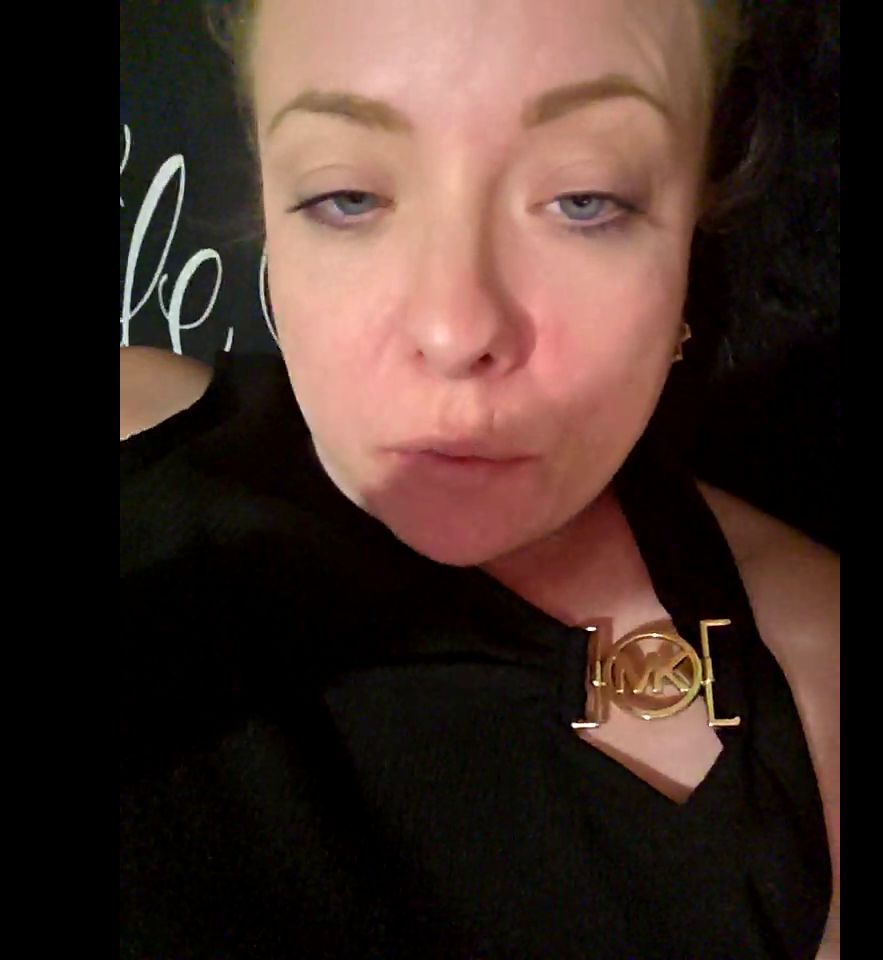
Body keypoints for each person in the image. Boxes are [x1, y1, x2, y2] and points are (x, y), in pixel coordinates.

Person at [120, 1, 839, 957]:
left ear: (691, 219)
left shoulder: (818, 690)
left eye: (585, 198)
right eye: (347, 196)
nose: (456, 330)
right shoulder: (142, 445)